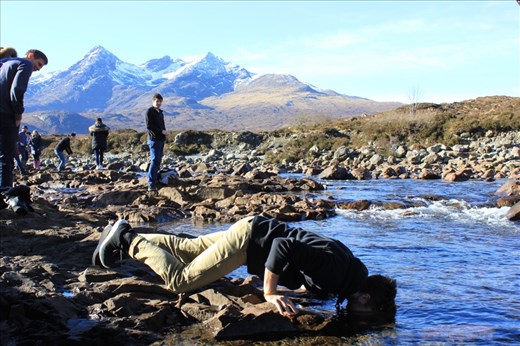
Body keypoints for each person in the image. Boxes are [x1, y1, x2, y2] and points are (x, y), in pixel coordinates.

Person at [93, 215, 397, 317]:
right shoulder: (336, 273)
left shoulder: (347, 268)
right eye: (369, 312)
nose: (361, 314)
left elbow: (307, 279)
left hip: (253, 227)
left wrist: (290, 291)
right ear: (366, 297)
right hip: (248, 244)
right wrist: (268, 292)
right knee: (181, 281)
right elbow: (283, 247)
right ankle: (128, 239)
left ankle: (120, 236)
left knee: (187, 249)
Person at [0, 49, 48, 188]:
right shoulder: (25, 64)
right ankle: (5, 193)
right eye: (39, 64)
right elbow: (17, 90)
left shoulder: (3, 63)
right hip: (6, 114)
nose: (38, 69)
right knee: (6, 158)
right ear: (30, 56)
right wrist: (18, 114)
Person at [145, 93, 166, 191]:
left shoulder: (160, 112)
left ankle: (155, 180)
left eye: (160, 101)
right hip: (153, 139)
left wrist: (164, 134)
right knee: (154, 160)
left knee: (158, 161)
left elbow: (162, 125)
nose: (159, 103)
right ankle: (150, 183)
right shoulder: (149, 111)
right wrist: (161, 131)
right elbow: (149, 126)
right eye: (157, 101)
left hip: (160, 139)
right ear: (153, 101)